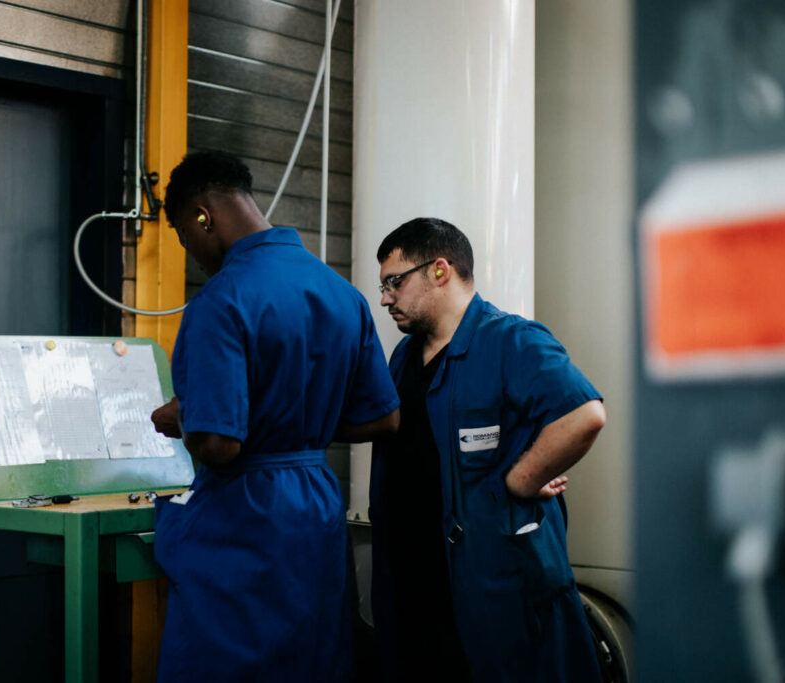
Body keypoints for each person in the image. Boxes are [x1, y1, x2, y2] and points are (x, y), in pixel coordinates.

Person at [149, 150, 400, 682]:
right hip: (315, 505)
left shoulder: (221, 300)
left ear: (202, 216)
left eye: (181, 235)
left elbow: (220, 444)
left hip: (246, 519)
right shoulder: (342, 293)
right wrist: (294, 423)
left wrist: (190, 415)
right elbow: (384, 420)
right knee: (314, 658)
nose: (190, 251)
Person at [370, 217, 606, 682]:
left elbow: (584, 415)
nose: (384, 299)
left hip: (493, 587)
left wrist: (522, 478)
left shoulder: (511, 340)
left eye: (394, 282)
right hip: (415, 581)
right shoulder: (404, 356)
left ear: (440, 270)